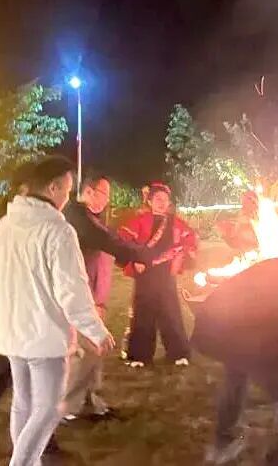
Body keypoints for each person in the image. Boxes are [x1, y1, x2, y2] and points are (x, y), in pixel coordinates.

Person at [0, 156, 115, 466]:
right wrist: (96, 330)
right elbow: (72, 291)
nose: (68, 198)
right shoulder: (58, 231)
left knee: (24, 404)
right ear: (52, 188)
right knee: (47, 410)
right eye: (68, 190)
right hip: (44, 336)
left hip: (13, 331)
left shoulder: (4, 226)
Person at [189, 247, 278, 465]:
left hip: (211, 325)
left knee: (236, 374)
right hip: (243, 335)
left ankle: (223, 443)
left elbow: (269, 310)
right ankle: (277, 460)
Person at [0, 162, 63, 463]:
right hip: (5, 299)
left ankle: (42, 437)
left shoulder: (35, 213)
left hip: (27, 299)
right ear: (24, 186)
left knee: (34, 366)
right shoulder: (6, 214)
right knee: (3, 370)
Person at [61, 174, 167, 421]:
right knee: (86, 352)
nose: (106, 200)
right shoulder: (78, 219)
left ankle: (91, 402)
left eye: (107, 196)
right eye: (103, 194)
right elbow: (111, 242)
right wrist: (143, 254)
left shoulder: (92, 218)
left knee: (95, 352)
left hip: (95, 296)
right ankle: (68, 408)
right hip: (80, 298)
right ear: (88, 191)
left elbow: (111, 242)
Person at [117, 182, 197, 368]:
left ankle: (178, 353)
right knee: (143, 314)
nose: (162, 203)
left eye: (165, 200)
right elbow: (123, 240)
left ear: (169, 202)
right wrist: (136, 259)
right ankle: (139, 355)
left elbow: (191, 238)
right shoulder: (140, 220)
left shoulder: (176, 223)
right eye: (158, 199)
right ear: (150, 201)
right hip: (146, 274)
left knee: (171, 313)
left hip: (166, 274)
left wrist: (180, 255)